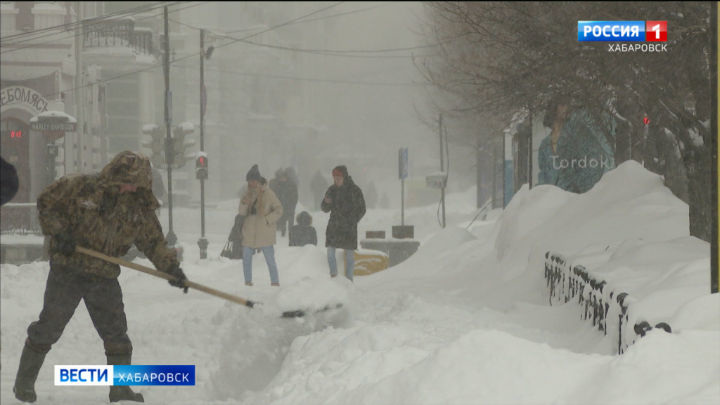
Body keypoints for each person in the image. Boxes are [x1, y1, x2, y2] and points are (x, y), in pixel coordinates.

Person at [13, 151, 188, 404]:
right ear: (114, 175)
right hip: (68, 270)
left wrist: (172, 269)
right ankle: (23, 383)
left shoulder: (139, 209)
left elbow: (154, 243)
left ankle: (120, 389)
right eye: (125, 181)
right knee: (49, 326)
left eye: (134, 183)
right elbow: (47, 202)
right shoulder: (82, 187)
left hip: (103, 275)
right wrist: (59, 234)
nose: (128, 187)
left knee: (116, 333)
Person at [239, 164, 283, 286]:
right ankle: (247, 282)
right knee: (246, 259)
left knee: (270, 259)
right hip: (249, 231)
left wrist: (267, 220)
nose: (250, 184)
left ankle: (275, 282)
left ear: (258, 181)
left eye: (252, 181)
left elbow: (279, 210)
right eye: (249, 181)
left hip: (265, 232)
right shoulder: (246, 194)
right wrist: (243, 203)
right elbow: (242, 213)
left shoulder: (268, 193)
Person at [321, 165, 366, 281]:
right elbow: (325, 208)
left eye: (338, 177)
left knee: (350, 256)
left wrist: (352, 220)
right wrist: (326, 202)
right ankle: (334, 277)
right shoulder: (331, 190)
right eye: (334, 177)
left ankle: (349, 280)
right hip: (334, 227)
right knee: (330, 253)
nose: (336, 179)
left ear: (344, 177)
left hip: (348, 228)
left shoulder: (354, 190)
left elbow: (362, 208)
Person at [269, 168, 298, 237]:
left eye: (283, 178)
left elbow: (295, 195)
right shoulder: (279, 185)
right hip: (282, 204)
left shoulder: (291, 184)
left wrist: (293, 203)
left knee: (291, 218)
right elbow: (277, 194)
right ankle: (283, 231)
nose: (282, 179)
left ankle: (291, 231)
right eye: (281, 178)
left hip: (290, 205)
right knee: (283, 218)